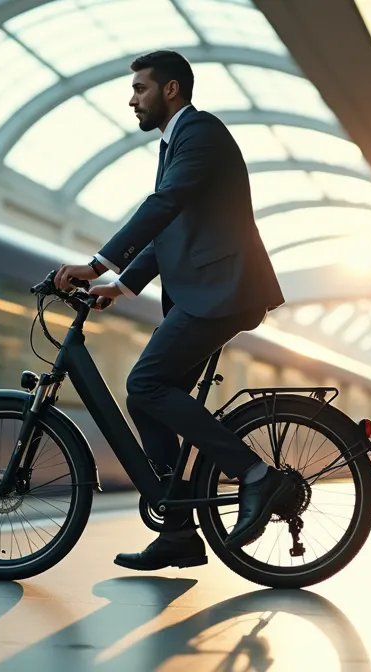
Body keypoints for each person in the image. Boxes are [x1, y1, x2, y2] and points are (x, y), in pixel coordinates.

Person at [53, 50, 286, 570]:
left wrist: (96, 265)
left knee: (146, 385)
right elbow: (172, 228)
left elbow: (162, 207)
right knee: (148, 399)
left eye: (140, 88)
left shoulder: (199, 133)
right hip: (210, 290)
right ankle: (178, 530)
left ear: (171, 90)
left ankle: (254, 474)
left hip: (222, 290)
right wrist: (121, 284)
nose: (131, 98)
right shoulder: (175, 144)